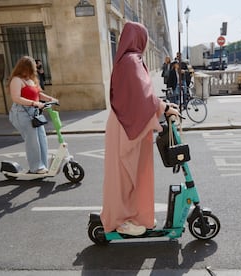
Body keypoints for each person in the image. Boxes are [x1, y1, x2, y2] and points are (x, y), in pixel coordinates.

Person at [100, 22, 180, 236]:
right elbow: (142, 96)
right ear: (140, 39)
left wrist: (162, 105)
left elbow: (141, 96)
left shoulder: (127, 60)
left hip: (126, 122)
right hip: (127, 126)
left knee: (127, 175)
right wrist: (163, 107)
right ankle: (123, 221)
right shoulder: (131, 61)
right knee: (126, 176)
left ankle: (136, 216)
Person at [8, 56, 58, 174]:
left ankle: (43, 166)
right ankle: (36, 167)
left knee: (42, 139)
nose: (34, 70)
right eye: (32, 68)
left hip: (34, 112)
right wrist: (34, 103)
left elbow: (39, 94)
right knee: (32, 141)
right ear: (24, 68)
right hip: (21, 113)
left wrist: (51, 99)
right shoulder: (17, 80)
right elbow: (16, 98)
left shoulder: (32, 79)